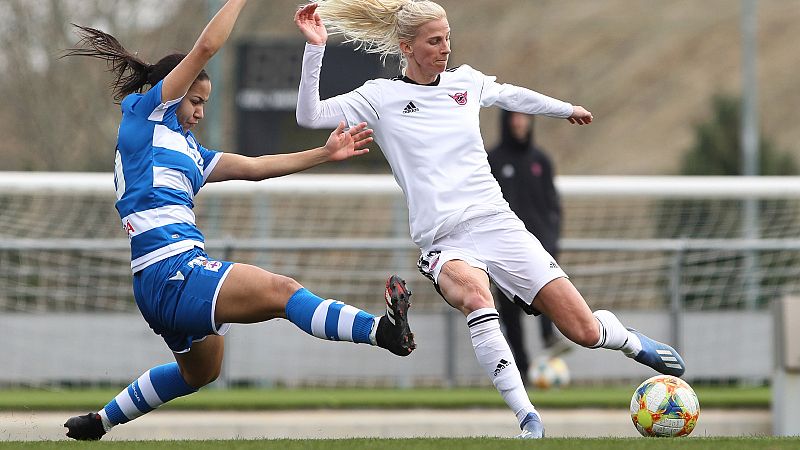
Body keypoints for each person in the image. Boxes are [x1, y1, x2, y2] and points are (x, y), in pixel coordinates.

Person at [294, 0, 686, 439]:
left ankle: (625, 338)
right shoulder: (380, 97)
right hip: (444, 241)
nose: (445, 48)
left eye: (448, 37)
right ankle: (528, 418)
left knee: (582, 331)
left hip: (498, 224)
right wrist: (316, 50)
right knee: (478, 300)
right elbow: (310, 116)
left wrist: (566, 108)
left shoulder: (467, 82)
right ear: (407, 47)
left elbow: (513, 94)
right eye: (434, 40)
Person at [61, 0, 415, 441]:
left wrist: (323, 154)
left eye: (205, 104)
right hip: (173, 270)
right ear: (173, 91)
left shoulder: (190, 152)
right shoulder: (145, 115)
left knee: (201, 373)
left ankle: (100, 422)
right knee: (283, 292)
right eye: (195, 100)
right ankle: (380, 332)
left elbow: (255, 166)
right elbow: (208, 45)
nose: (200, 112)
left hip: (156, 281)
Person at [488, 111, 569, 385]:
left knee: (548, 290)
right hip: (503, 249)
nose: (519, 122)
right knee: (510, 313)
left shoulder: (541, 161)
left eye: (524, 117)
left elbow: (552, 204)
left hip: (539, 245)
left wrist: (553, 238)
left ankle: (549, 335)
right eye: (515, 117)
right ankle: (520, 370)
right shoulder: (493, 160)